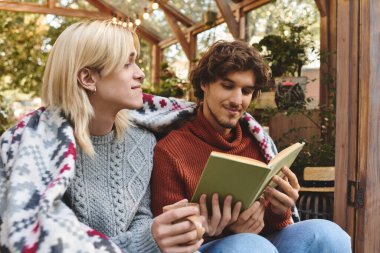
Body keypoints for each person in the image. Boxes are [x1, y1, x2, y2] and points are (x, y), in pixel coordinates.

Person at [0, 20, 205, 253]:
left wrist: (172, 231)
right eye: (127, 64)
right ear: (88, 78)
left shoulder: (142, 139)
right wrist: (147, 242)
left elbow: (140, 217)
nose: (140, 73)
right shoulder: (41, 152)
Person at [151, 40, 352, 253]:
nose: (237, 100)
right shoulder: (170, 150)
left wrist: (280, 208)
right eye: (228, 86)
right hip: (205, 246)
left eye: (246, 91)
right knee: (251, 246)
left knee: (329, 234)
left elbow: (277, 225)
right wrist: (223, 230)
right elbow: (169, 240)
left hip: (261, 243)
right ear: (204, 84)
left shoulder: (259, 142)